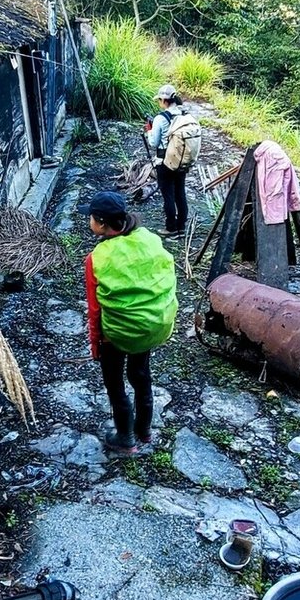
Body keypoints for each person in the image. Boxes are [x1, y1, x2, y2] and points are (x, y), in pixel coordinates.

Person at [78, 190, 178, 455]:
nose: (89, 221)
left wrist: (95, 343)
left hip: (116, 334)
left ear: (100, 223)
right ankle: (144, 430)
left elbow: (95, 308)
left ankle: (125, 438)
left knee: (115, 384)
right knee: (141, 375)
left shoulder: (97, 258)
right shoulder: (149, 239)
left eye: (90, 217)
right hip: (149, 324)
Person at [146, 83, 189, 237]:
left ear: (164, 100)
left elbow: (154, 143)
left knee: (168, 195)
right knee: (180, 193)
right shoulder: (184, 115)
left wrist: (149, 131)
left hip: (164, 162)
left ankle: (171, 228)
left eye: (159, 100)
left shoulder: (160, 118)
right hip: (182, 160)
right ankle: (182, 227)